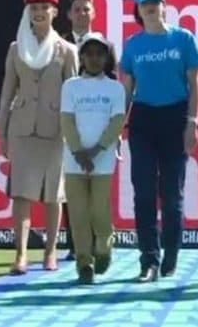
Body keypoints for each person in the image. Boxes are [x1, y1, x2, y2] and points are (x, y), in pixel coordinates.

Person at [121, 0, 198, 283]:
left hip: (175, 117)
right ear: (138, 11)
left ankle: (171, 253)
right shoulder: (133, 45)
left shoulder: (183, 39)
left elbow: (195, 84)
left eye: (155, 2)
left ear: (165, 6)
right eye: (145, 3)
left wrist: (192, 122)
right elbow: (127, 91)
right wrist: (119, 128)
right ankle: (148, 260)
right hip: (143, 121)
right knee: (143, 192)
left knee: (171, 194)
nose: (151, 7)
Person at [0, 0, 78, 274]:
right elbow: (7, 94)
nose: (39, 12)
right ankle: (20, 255)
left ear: (55, 12)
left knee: (54, 195)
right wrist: (1, 132)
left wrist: (74, 135)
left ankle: (50, 252)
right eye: (34, 8)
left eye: (44, 7)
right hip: (22, 129)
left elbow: (74, 94)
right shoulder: (16, 48)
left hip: (56, 132)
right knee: (21, 194)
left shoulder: (68, 51)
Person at [60, 33, 125, 284]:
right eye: (89, 53)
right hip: (74, 159)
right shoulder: (71, 86)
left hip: (103, 159)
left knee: (99, 210)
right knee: (78, 214)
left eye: (100, 53)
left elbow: (117, 121)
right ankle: (84, 263)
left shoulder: (115, 88)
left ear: (106, 57)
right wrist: (78, 152)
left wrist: (97, 150)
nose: (94, 58)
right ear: (82, 57)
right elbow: (66, 120)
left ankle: (104, 248)